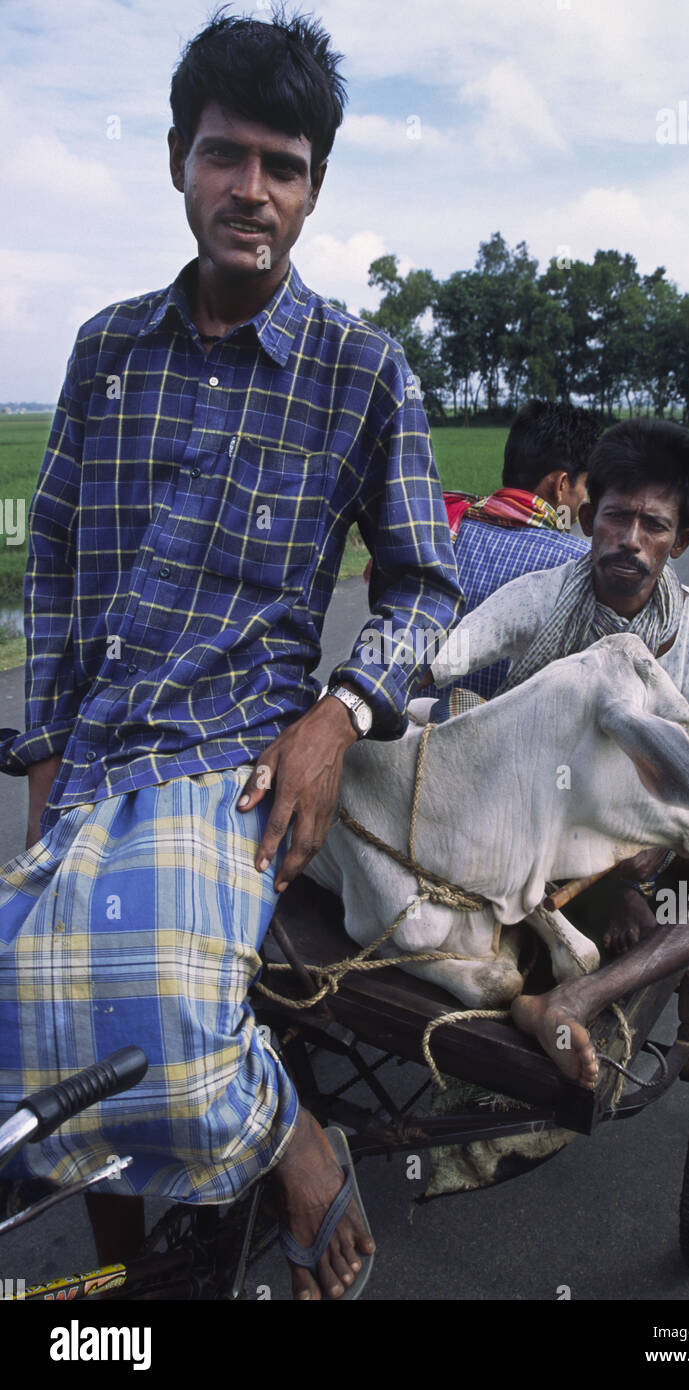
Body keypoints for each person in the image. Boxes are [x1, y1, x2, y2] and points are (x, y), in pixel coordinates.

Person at [0, 11, 463, 1300]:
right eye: (225, 156)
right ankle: (115, 1286)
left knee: (156, 1003)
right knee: (23, 1012)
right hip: (98, 746)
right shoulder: (104, 350)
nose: (250, 190)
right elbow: (54, 563)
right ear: (175, 161)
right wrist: (43, 750)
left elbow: (423, 582)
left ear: (316, 186)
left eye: (284, 163)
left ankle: (298, 1149)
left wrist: (338, 713)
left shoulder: (363, 371)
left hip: (240, 757)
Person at [429, 418, 689, 1088]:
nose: (631, 539)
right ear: (586, 521)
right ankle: (581, 950)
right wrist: (365, 701)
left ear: (679, 540)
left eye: (653, 525)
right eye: (615, 517)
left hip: (663, 838)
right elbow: (447, 657)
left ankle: (575, 999)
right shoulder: (540, 601)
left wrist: (647, 857)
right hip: (539, 843)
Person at [418, 400, 601, 699]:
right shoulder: (577, 564)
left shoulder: (441, 529)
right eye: (584, 487)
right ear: (561, 484)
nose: (584, 500)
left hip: (413, 732)